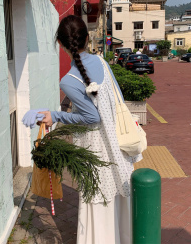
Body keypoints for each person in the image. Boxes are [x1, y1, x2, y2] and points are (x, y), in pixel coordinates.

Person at [22, 15, 142, 244]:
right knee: (120, 196)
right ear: (88, 39)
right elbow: (117, 101)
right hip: (118, 144)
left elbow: (91, 117)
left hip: (95, 149)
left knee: (97, 199)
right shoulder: (103, 63)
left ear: (60, 44)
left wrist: (55, 115)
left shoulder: (68, 80)